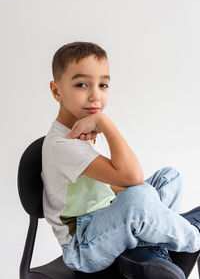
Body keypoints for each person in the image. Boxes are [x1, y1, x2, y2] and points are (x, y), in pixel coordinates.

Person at [41, 41, 200, 279]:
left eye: (103, 85)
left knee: (169, 177)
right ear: (57, 91)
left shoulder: (83, 128)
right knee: (139, 197)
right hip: (84, 247)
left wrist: (141, 196)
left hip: (105, 219)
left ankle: (152, 248)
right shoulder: (63, 144)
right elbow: (131, 178)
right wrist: (105, 123)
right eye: (82, 84)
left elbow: (114, 185)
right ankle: (192, 237)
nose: (95, 95)